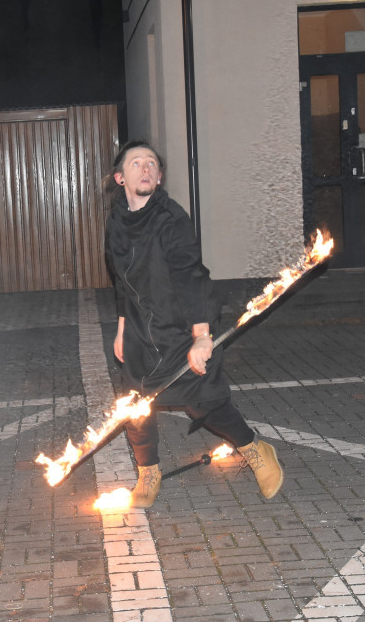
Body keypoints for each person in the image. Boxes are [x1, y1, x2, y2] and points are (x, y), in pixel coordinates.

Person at [104, 139, 283, 508]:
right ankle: (148, 472)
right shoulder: (117, 222)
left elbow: (191, 276)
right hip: (140, 330)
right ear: (120, 178)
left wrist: (201, 337)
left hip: (180, 328)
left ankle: (254, 447)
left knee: (206, 403)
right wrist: (122, 326)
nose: (146, 168)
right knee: (136, 406)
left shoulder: (171, 218)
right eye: (136, 163)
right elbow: (121, 279)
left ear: (159, 176)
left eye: (152, 163)